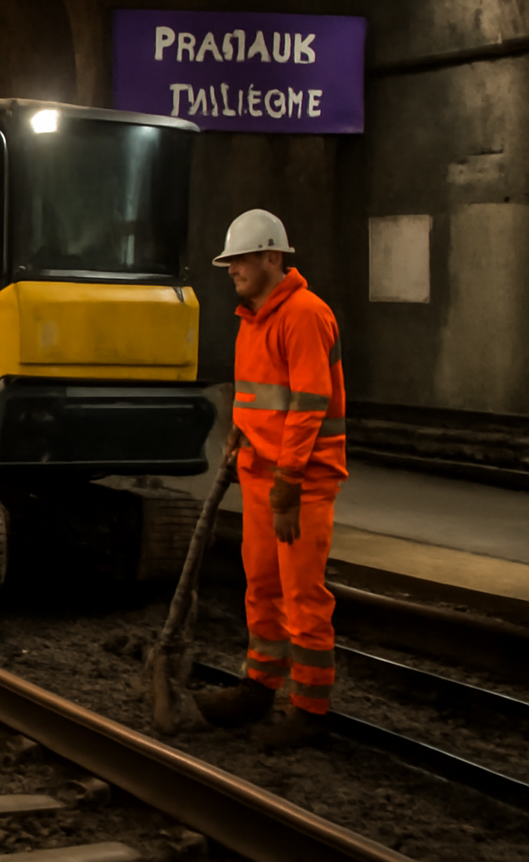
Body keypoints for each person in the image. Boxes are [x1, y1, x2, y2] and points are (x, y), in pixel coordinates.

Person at [196, 209, 347, 749]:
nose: (230, 268)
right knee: (261, 588)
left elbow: (309, 406)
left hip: (299, 482)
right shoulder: (252, 318)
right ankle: (259, 686)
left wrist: (287, 482)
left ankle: (310, 711)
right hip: (262, 475)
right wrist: (238, 439)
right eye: (228, 260)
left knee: (301, 594)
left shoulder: (303, 314)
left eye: (239, 258)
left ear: (271, 257)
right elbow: (258, 397)